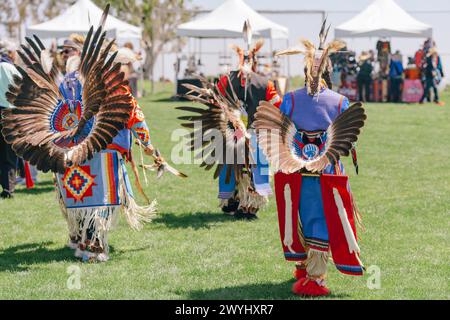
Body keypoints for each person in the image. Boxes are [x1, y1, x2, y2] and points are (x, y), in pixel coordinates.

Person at [1, 6, 158, 262]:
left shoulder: (84, 81)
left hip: (84, 151)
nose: (65, 55)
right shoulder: (86, 83)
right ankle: (88, 245)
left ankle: (87, 242)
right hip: (85, 152)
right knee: (86, 200)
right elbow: (132, 115)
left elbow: (125, 109)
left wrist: (146, 141)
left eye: (68, 51)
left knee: (86, 200)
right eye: (63, 52)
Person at [256, 20, 366, 297]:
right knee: (321, 221)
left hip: (295, 175)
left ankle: (305, 268)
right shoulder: (340, 101)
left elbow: (274, 123)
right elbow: (350, 139)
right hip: (327, 177)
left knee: (302, 218)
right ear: (328, 70)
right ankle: (314, 279)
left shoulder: (290, 99)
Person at [216, 21, 282, 220]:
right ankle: (249, 206)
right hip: (255, 133)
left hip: (232, 133)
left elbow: (216, 102)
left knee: (233, 164)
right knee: (254, 166)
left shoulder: (226, 80)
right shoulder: (266, 83)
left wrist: (230, 120)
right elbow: (276, 108)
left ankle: (234, 200)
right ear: (254, 61)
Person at [0, 39, 21, 199]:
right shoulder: (10, 67)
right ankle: (8, 189)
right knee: (9, 153)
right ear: (10, 53)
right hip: (9, 113)